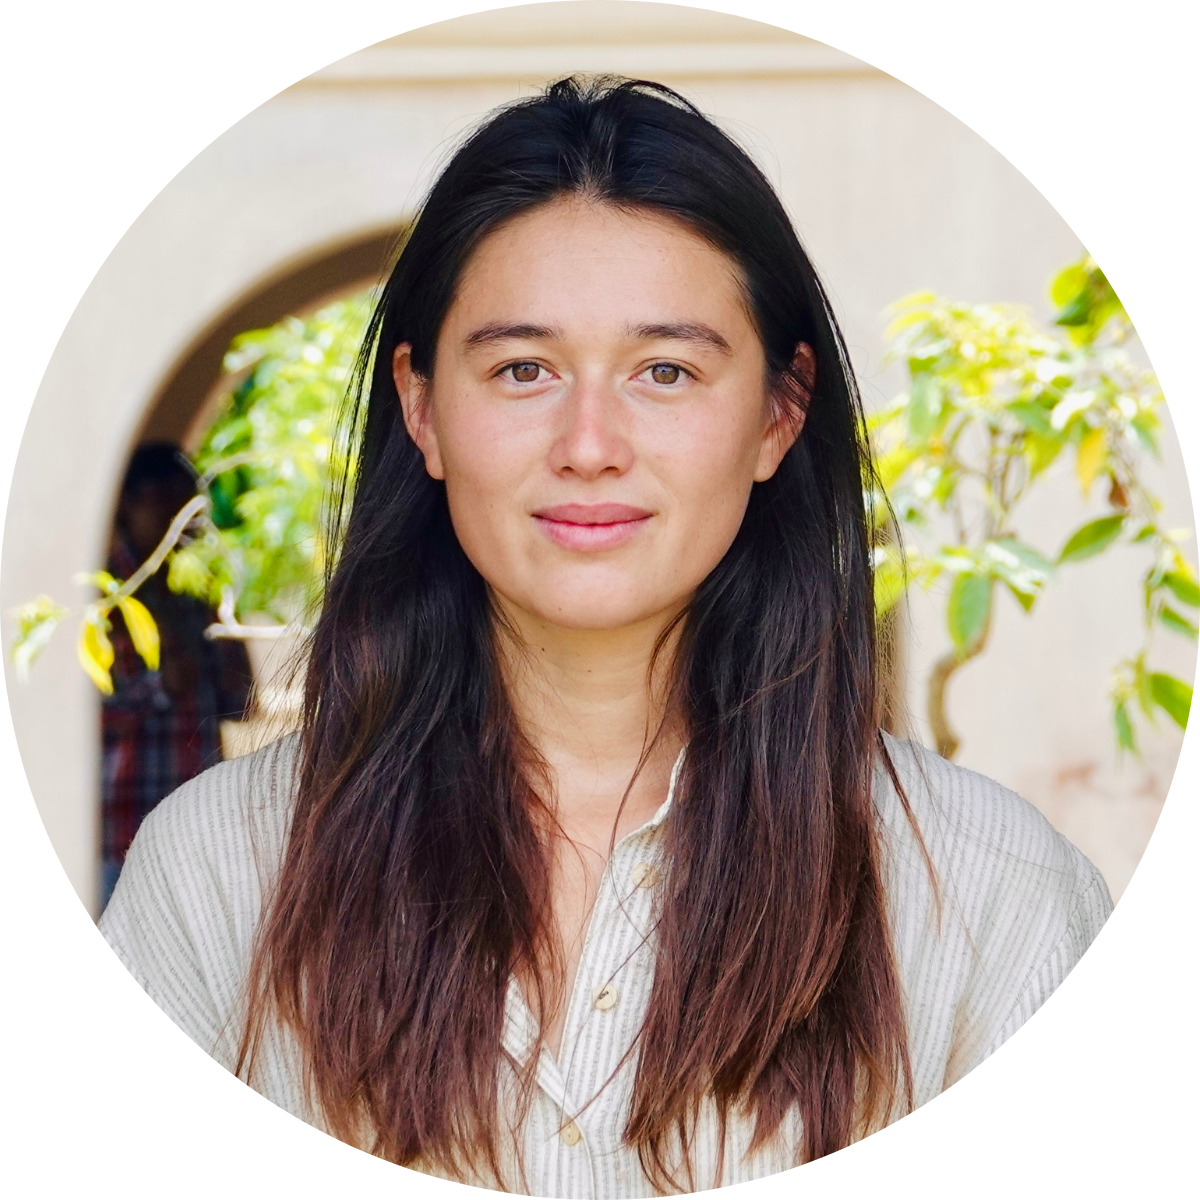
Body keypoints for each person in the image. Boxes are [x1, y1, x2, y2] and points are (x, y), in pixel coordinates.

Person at [100, 79, 1111, 1196]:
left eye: (665, 371)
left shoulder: (993, 896)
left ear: (779, 414)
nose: (589, 444)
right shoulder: (218, 874)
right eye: (522, 370)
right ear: (424, 409)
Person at [100, 443, 254, 910]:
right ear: (129, 502)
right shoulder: (101, 597)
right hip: (124, 830)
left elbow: (240, 705)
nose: (181, 520)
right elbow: (77, 719)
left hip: (196, 835)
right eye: (168, 501)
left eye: (188, 504)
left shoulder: (197, 590)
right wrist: (160, 687)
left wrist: (228, 657)